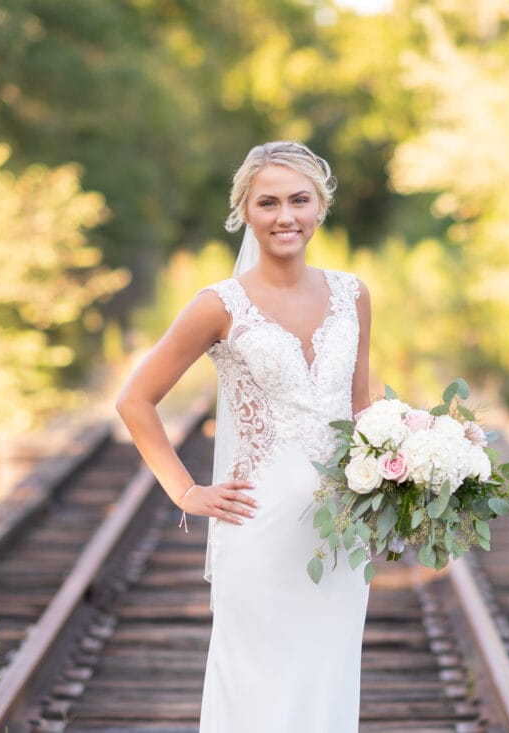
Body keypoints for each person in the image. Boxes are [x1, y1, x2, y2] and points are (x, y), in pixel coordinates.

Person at [115, 140, 373, 732]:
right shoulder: (218, 306)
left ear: (320, 206)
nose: (286, 216)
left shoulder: (353, 295)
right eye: (269, 203)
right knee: (257, 687)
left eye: (299, 200)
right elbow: (135, 400)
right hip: (258, 524)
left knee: (328, 677)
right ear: (246, 213)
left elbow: (361, 408)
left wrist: (401, 477)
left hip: (342, 529)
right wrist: (185, 491)